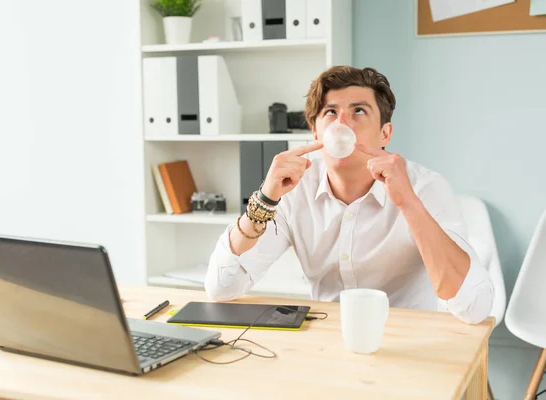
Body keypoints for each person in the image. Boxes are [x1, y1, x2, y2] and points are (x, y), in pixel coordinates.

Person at [204, 66, 493, 324]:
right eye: (330, 112)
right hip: (327, 343)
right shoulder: (295, 188)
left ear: (385, 134)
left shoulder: (425, 187)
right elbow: (221, 287)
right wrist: (265, 200)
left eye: (359, 111)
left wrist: (408, 203)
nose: (341, 124)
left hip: (407, 342)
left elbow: (474, 307)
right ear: (316, 134)